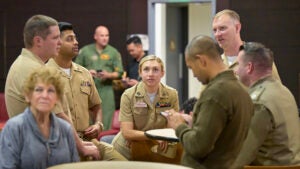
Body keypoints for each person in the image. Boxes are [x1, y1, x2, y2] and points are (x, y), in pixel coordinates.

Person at [4, 15, 100, 160]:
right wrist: (81, 147)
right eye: (55, 38)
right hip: (42, 152)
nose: (59, 42)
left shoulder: (26, 64)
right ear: (38, 41)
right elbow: (59, 115)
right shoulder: (36, 70)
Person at [165, 35, 253, 169]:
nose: (193, 75)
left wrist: (179, 126)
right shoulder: (241, 90)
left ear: (201, 60)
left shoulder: (215, 93)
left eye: (191, 67)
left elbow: (198, 147)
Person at [47, 21, 126, 161]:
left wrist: (98, 124)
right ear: (56, 43)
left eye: (75, 38)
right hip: (61, 143)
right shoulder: (45, 74)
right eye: (70, 39)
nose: (76, 42)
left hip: (89, 140)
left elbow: (96, 106)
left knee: (122, 163)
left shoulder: (84, 73)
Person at [232, 42, 300, 168]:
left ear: (249, 67)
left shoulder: (258, 102)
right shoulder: (286, 92)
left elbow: (240, 157)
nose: (235, 71)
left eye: (238, 65)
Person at [0, 67, 79, 169]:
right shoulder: (14, 127)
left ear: (57, 98)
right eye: (39, 90)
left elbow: (75, 166)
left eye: (50, 91)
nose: (45, 96)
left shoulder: (66, 129)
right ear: (28, 96)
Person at [112, 55, 180, 160]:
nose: (150, 74)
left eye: (155, 70)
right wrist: (155, 136)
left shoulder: (172, 94)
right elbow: (127, 132)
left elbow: (173, 124)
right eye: (146, 69)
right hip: (126, 148)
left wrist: (162, 136)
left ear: (162, 73)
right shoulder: (128, 95)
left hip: (157, 146)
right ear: (140, 72)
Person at [75, 25, 124, 130]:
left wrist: (108, 75)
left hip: (106, 92)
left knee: (105, 123)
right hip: (87, 90)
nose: (105, 38)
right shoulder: (85, 51)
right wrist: (87, 73)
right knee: (86, 122)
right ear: (95, 36)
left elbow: (119, 72)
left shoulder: (113, 52)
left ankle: (103, 144)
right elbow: (75, 69)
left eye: (107, 35)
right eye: (102, 35)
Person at [212, 9, 281, 82]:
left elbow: (276, 90)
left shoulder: (259, 58)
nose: (217, 34)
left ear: (237, 28)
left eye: (222, 28)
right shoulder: (215, 65)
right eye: (215, 30)